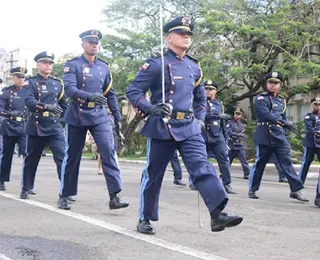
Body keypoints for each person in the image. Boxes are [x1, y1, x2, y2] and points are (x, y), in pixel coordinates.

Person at [126, 16, 242, 235]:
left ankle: (217, 214)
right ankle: (145, 217)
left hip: (189, 126)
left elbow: (200, 99)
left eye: (188, 34)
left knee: (202, 167)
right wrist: (150, 108)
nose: (186, 36)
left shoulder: (193, 67)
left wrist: (199, 118)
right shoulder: (156, 63)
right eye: (181, 33)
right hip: (163, 125)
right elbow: (133, 90)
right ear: (169, 38)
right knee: (153, 174)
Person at [58, 29, 129, 211]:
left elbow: (110, 94)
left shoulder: (104, 67)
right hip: (77, 115)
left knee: (108, 151)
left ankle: (115, 196)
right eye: (90, 41)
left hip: (99, 115)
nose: (94, 44)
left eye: (96, 42)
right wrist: (90, 96)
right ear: (83, 44)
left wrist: (118, 117)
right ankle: (65, 195)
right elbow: (70, 90)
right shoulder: (72, 65)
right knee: (73, 156)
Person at [248, 72, 308, 201]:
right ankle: (252, 189)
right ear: (266, 84)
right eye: (270, 83)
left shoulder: (282, 101)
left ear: (280, 85)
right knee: (260, 164)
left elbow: (284, 117)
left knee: (287, 163)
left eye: (276, 83)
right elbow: (266, 114)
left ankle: (295, 190)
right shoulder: (260, 99)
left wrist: (285, 131)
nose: (273, 85)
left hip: (279, 136)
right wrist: (284, 123)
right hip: (264, 134)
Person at [20, 52, 68, 199]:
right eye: (45, 63)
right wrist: (47, 107)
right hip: (36, 125)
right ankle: (26, 187)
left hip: (54, 126)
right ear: (38, 65)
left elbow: (63, 104)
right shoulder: (30, 83)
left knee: (62, 157)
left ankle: (65, 191)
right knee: (32, 158)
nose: (48, 65)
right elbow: (29, 102)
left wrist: (67, 120)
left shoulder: (56, 83)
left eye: (50, 63)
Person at [202, 80, 235, 194]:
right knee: (199, 160)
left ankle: (226, 183)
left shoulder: (219, 104)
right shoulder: (199, 102)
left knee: (224, 160)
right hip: (202, 134)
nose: (208, 91)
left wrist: (225, 138)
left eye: (210, 89)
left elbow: (223, 123)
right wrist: (216, 116)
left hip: (217, 135)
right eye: (206, 89)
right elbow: (200, 116)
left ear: (215, 91)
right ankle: (194, 181)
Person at [0, 67, 28, 191]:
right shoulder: (6, 92)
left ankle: (27, 184)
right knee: (7, 155)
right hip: (9, 127)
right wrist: (10, 114)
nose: (21, 79)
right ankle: (2, 180)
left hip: (23, 127)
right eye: (18, 77)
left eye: (22, 77)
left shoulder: (28, 92)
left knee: (28, 155)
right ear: (13, 78)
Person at [298, 97, 320, 207]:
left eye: (319, 104)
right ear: (312, 105)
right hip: (311, 144)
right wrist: (317, 132)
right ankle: (297, 187)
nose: (318, 106)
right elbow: (310, 128)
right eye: (316, 104)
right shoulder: (308, 116)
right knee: (305, 164)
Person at [226, 108, 250, 179]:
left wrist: (241, 135)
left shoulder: (242, 125)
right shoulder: (230, 123)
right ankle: (224, 172)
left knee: (243, 160)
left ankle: (247, 174)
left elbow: (244, 134)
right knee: (228, 160)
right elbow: (229, 132)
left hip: (239, 145)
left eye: (239, 114)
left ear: (241, 115)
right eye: (236, 114)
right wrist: (238, 135)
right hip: (232, 144)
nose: (237, 115)